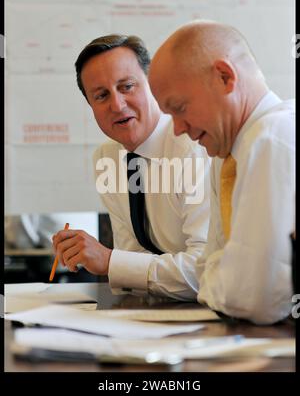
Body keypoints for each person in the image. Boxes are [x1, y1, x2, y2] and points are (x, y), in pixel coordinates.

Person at [148, 20, 295, 324]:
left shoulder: (270, 138)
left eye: (180, 108)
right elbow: (207, 269)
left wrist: (225, 279)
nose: (177, 129)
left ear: (225, 77)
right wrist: (226, 278)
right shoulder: (226, 155)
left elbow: (254, 299)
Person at [52, 34, 211, 301]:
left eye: (126, 86)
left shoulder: (194, 147)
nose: (117, 104)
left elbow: (204, 272)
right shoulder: (107, 158)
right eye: (101, 95)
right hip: (154, 313)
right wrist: (113, 263)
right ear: (90, 106)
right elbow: (132, 265)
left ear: (153, 86)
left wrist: (110, 261)